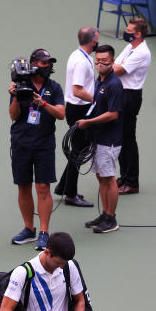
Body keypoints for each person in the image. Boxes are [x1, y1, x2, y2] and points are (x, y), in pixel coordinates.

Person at [8, 49, 65, 251]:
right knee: (23, 186)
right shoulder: (21, 85)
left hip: (44, 145)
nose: (47, 66)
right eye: (43, 63)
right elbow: (13, 115)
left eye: (49, 63)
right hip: (21, 143)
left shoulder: (54, 88)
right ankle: (28, 229)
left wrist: (43, 103)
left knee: (43, 188)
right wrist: (15, 97)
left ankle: (44, 232)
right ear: (33, 65)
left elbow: (61, 114)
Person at [77, 45, 123, 234]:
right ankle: (105, 214)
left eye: (105, 60)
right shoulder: (100, 81)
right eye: (97, 60)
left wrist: (88, 122)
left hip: (109, 140)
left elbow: (113, 114)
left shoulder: (114, 84)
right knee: (101, 177)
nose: (100, 63)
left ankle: (111, 219)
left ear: (112, 62)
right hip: (98, 138)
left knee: (109, 178)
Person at [57, 26, 98, 208]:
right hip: (79, 110)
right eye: (96, 39)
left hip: (77, 108)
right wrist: (98, 99)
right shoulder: (81, 62)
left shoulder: (80, 55)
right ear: (92, 41)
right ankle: (71, 195)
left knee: (79, 149)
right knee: (79, 151)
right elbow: (78, 90)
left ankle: (63, 187)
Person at [113, 17, 152, 195]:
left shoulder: (142, 52)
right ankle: (124, 176)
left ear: (137, 34)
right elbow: (115, 62)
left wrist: (109, 65)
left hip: (130, 96)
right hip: (122, 93)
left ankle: (132, 182)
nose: (126, 32)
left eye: (129, 30)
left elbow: (117, 69)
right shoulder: (131, 47)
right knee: (120, 138)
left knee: (128, 139)